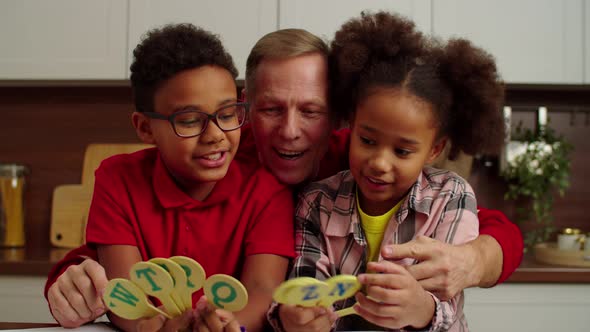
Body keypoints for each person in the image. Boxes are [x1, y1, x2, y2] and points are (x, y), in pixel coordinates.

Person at [44, 26, 523, 329]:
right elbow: (119, 257)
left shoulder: (358, 157)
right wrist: (69, 277)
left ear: (336, 115)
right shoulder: (231, 147)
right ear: (247, 104)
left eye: (310, 110)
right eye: (270, 109)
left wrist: (475, 259)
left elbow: (485, 221)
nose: (290, 131)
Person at [269, 11, 506, 331]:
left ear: (434, 150)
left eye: (402, 151)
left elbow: (447, 305)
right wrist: (294, 316)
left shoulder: (450, 196)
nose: (380, 162)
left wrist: (422, 309)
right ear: (351, 125)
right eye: (367, 140)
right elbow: (304, 283)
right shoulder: (316, 201)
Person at [79, 23, 296, 332]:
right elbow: (126, 295)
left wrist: (229, 326)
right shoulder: (117, 180)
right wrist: (157, 327)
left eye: (227, 114)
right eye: (190, 120)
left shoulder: (266, 189)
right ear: (145, 128)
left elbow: (263, 290)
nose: (215, 135)